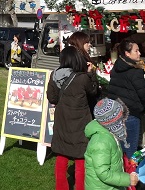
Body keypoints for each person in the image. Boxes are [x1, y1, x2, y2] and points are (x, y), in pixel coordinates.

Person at [47, 45, 99, 190]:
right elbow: (93, 92)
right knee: (80, 157)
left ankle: (61, 187)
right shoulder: (82, 78)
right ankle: (80, 187)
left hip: (62, 118)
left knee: (62, 154)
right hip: (80, 121)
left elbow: (52, 98)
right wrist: (91, 74)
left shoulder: (54, 74)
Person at [107, 39, 145, 158]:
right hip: (131, 113)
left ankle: (122, 171)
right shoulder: (135, 72)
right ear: (127, 53)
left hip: (117, 112)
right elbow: (144, 94)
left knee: (120, 147)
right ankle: (131, 173)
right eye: (136, 51)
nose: (139, 53)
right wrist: (143, 108)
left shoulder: (116, 67)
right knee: (131, 148)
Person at [84, 98, 140, 190]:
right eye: (121, 120)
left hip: (111, 185)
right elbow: (103, 173)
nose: (123, 123)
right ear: (114, 122)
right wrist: (127, 179)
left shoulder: (110, 135)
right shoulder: (101, 143)